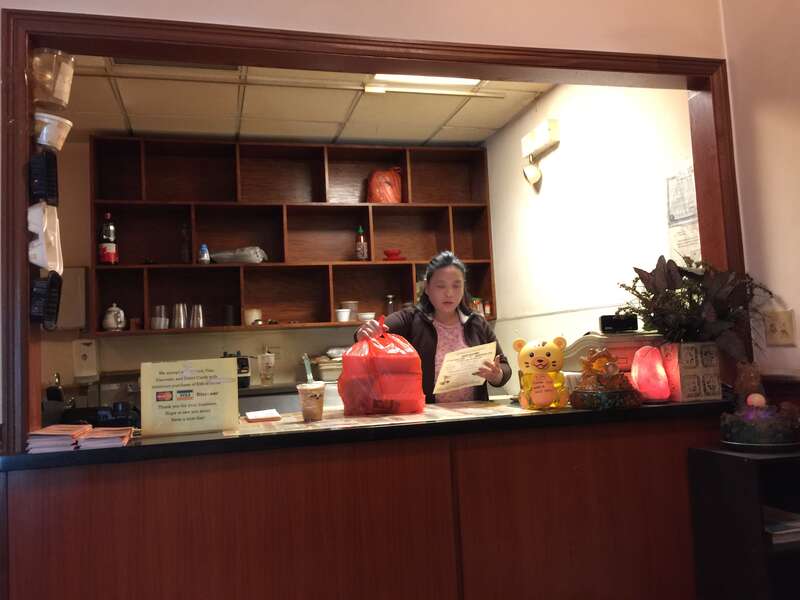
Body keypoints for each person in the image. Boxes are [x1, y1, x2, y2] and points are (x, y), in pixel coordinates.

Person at [357, 251, 512, 403]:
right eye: (440, 286)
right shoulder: (410, 319)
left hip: (473, 415)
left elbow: (504, 367)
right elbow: (375, 331)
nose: (449, 293)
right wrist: (364, 333)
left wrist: (497, 375)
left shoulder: (477, 323)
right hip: (427, 416)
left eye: (456, 286)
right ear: (427, 287)